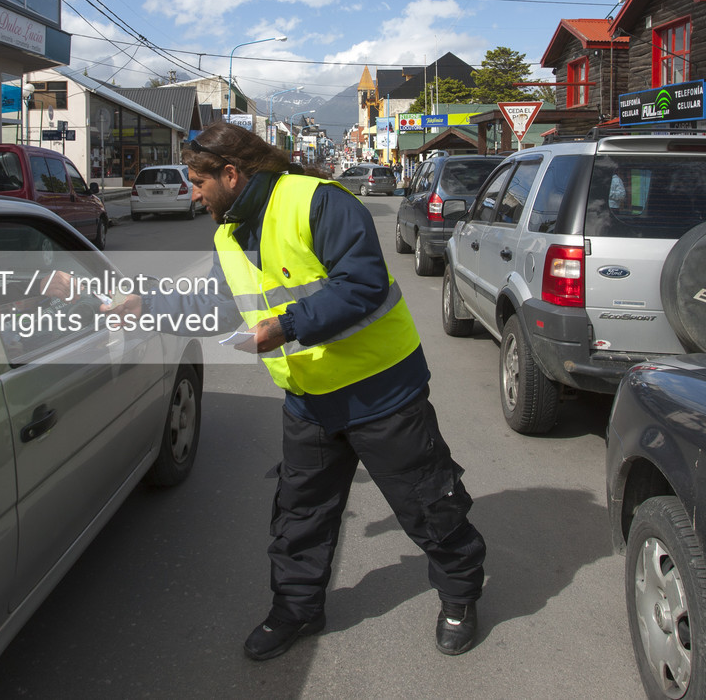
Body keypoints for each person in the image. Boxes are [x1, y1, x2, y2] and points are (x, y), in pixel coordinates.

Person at [119, 122, 487, 660]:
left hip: (380, 393)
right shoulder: (227, 233)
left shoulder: (318, 202)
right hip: (308, 400)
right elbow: (224, 305)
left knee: (427, 503)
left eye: (198, 181)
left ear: (230, 173)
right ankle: (296, 610)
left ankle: (460, 596)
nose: (192, 192)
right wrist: (147, 306)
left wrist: (284, 327)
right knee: (300, 515)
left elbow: (362, 284)